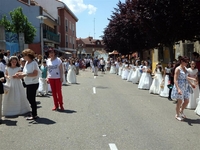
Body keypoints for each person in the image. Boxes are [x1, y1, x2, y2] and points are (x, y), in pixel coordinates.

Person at [16, 49, 40, 120]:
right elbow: (25, 73)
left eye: (24, 55)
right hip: (28, 83)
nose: (23, 57)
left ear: (28, 55)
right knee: (29, 98)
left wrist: (25, 75)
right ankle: (33, 113)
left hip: (33, 83)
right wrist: (19, 74)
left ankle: (34, 114)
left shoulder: (34, 63)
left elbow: (35, 74)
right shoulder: (27, 63)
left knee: (31, 99)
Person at [171, 56, 196, 121]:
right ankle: (177, 115)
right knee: (180, 101)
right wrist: (178, 89)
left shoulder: (185, 69)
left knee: (187, 101)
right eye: (186, 62)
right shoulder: (178, 69)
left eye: (188, 62)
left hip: (186, 87)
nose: (187, 63)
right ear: (182, 61)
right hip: (179, 86)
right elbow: (175, 80)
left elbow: (186, 78)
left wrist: (191, 84)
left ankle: (181, 111)